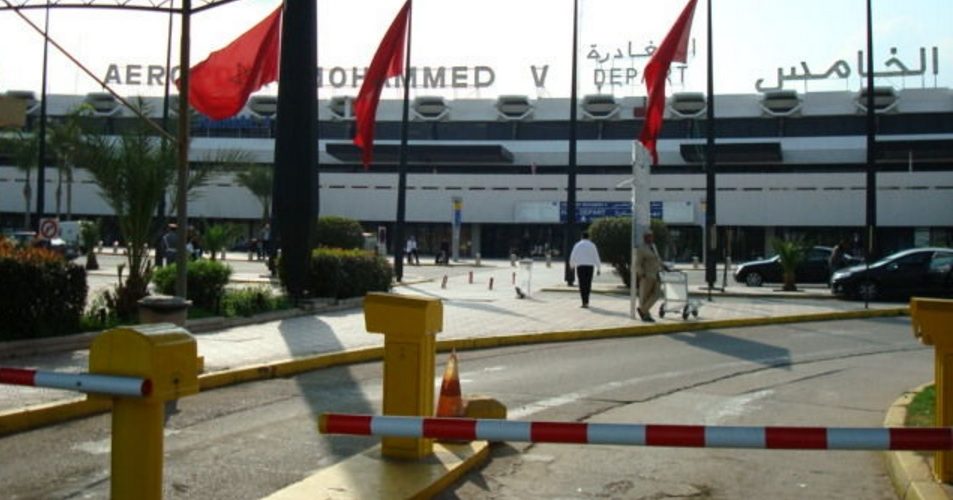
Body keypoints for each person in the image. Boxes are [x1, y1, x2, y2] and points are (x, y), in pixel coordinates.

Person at [635, 231, 663, 322]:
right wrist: (641, 274)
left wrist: (663, 266)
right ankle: (646, 315)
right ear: (645, 238)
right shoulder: (641, 249)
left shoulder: (654, 246)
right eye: (649, 236)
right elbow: (638, 263)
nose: (651, 238)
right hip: (647, 275)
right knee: (645, 297)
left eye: (652, 236)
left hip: (656, 274)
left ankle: (642, 310)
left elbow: (657, 258)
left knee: (657, 294)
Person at [569, 231, 601, 308]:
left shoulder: (577, 245)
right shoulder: (592, 245)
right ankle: (587, 301)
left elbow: (573, 255)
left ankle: (584, 302)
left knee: (582, 283)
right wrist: (598, 268)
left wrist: (572, 265)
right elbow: (596, 256)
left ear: (581, 237)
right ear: (589, 237)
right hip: (590, 267)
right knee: (588, 283)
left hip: (580, 266)